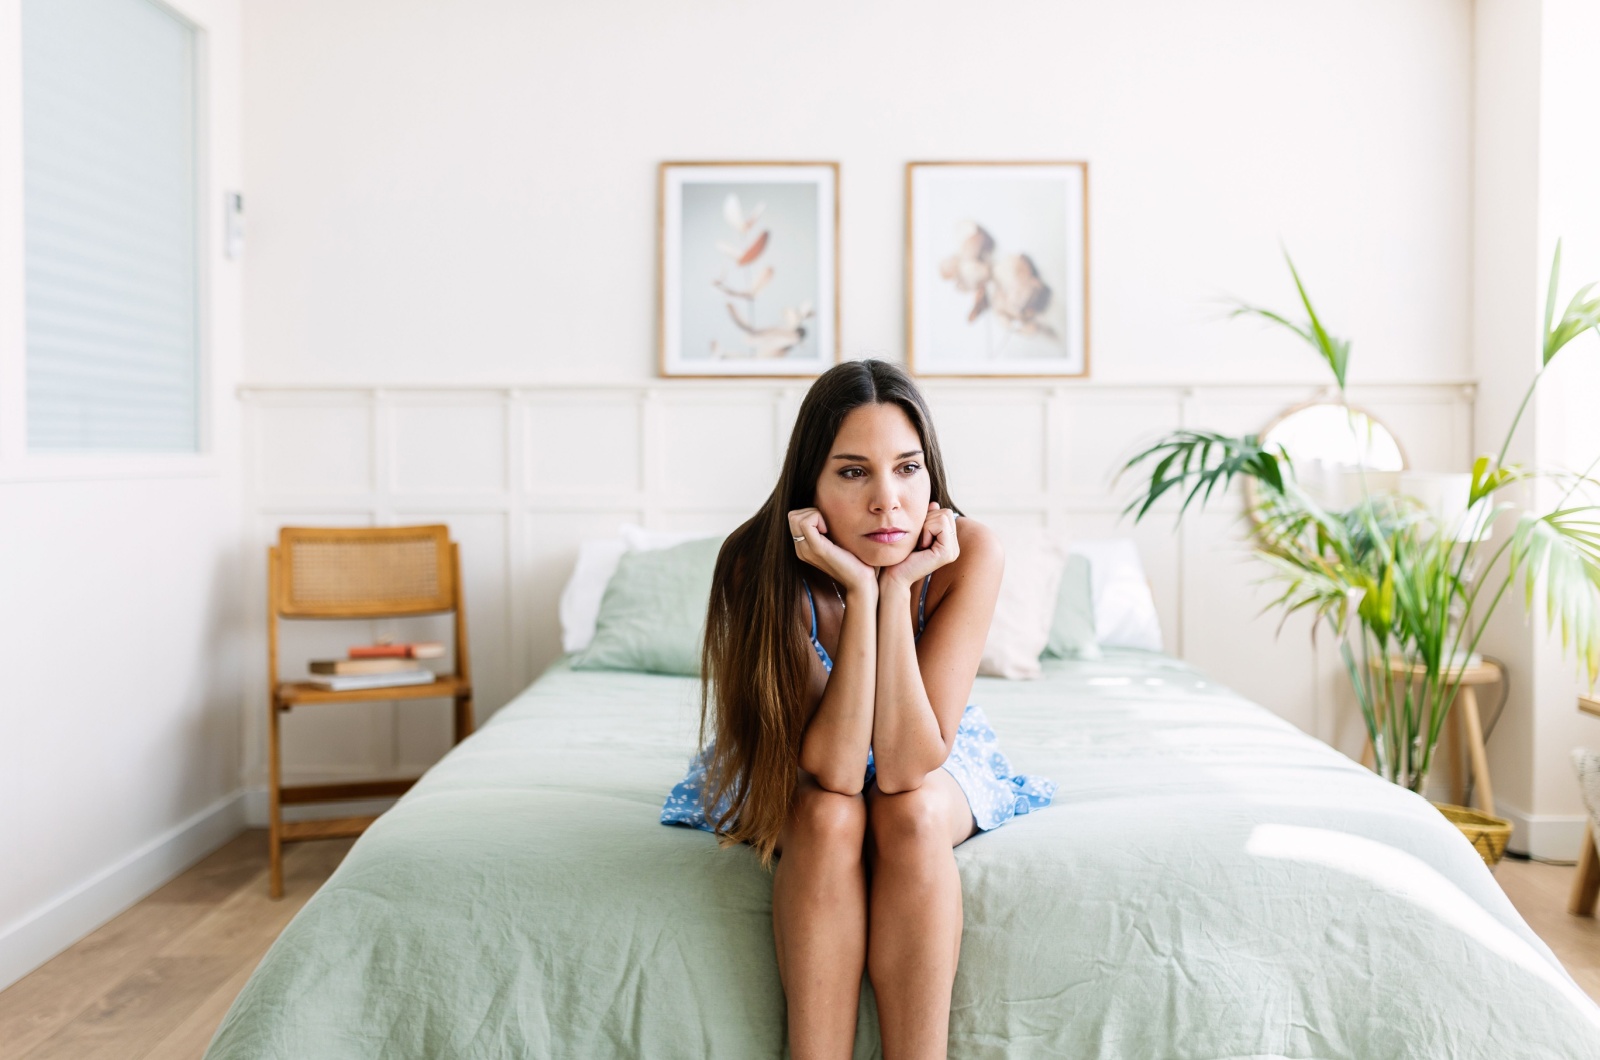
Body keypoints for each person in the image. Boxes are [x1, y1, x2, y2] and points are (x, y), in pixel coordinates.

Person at [660, 358, 1054, 1060]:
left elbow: (905, 766)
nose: (887, 502)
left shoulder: (971, 553)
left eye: (907, 469)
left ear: (931, 477)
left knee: (912, 812)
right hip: (797, 747)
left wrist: (898, 589)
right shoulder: (761, 564)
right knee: (827, 815)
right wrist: (865, 594)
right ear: (809, 483)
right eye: (852, 472)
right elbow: (836, 772)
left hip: (926, 740)